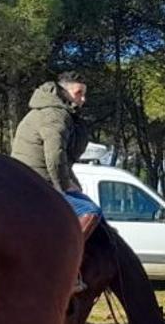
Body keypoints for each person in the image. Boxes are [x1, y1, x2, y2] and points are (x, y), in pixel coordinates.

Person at [11, 71, 101, 237]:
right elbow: (55, 155)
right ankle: (70, 255)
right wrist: (64, 186)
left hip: (29, 178)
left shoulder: (48, 111)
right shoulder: (55, 115)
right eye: (78, 93)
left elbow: (63, 159)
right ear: (64, 92)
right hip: (37, 182)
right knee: (90, 211)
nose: (83, 99)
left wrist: (74, 185)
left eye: (84, 94)